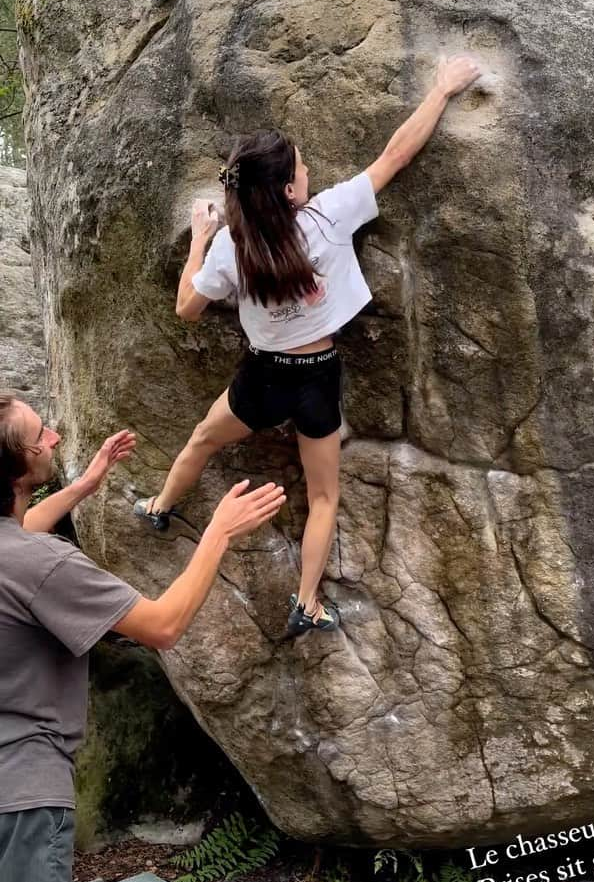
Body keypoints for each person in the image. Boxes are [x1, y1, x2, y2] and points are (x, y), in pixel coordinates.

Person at [133, 54, 485, 640]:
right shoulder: (327, 218)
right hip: (319, 376)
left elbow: (187, 310)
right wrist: (442, 90)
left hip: (262, 380)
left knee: (201, 438)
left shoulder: (231, 248)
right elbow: (397, 153)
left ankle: (159, 507)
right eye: (301, 166)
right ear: (290, 189)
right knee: (323, 497)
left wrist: (199, 240)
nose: (308, 168)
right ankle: (307, 602)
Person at [0, 392, 285, 882]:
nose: (55, 434)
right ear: (20, 465)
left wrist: (86, 485)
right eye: (41, 432)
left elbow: (21, 535)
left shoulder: (16, 552)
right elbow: (162, 625)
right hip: (21, 797)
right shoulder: (44, 566)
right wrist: (217, 533)